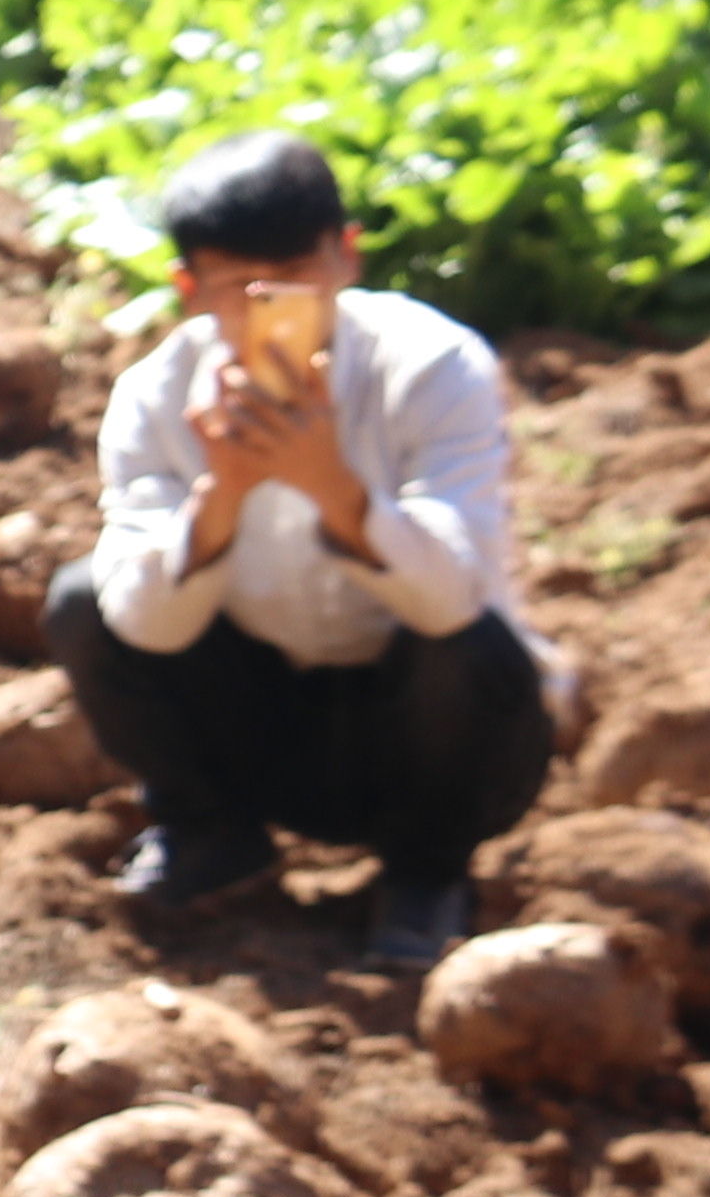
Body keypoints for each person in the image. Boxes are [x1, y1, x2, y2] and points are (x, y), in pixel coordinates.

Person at [56, 129, 555, 976]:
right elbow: (144, 626)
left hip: (433, 744)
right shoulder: (154, 398)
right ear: (189, 291)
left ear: (347, 256)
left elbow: (452, 600)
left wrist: (333, 488)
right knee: (84, 604)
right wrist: (224, 494)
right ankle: (210, 831)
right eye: (242, 290)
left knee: (468, 647)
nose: (274, 311)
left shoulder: (432, 367)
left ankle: (426, 874)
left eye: (298, 282)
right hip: (263, 724)